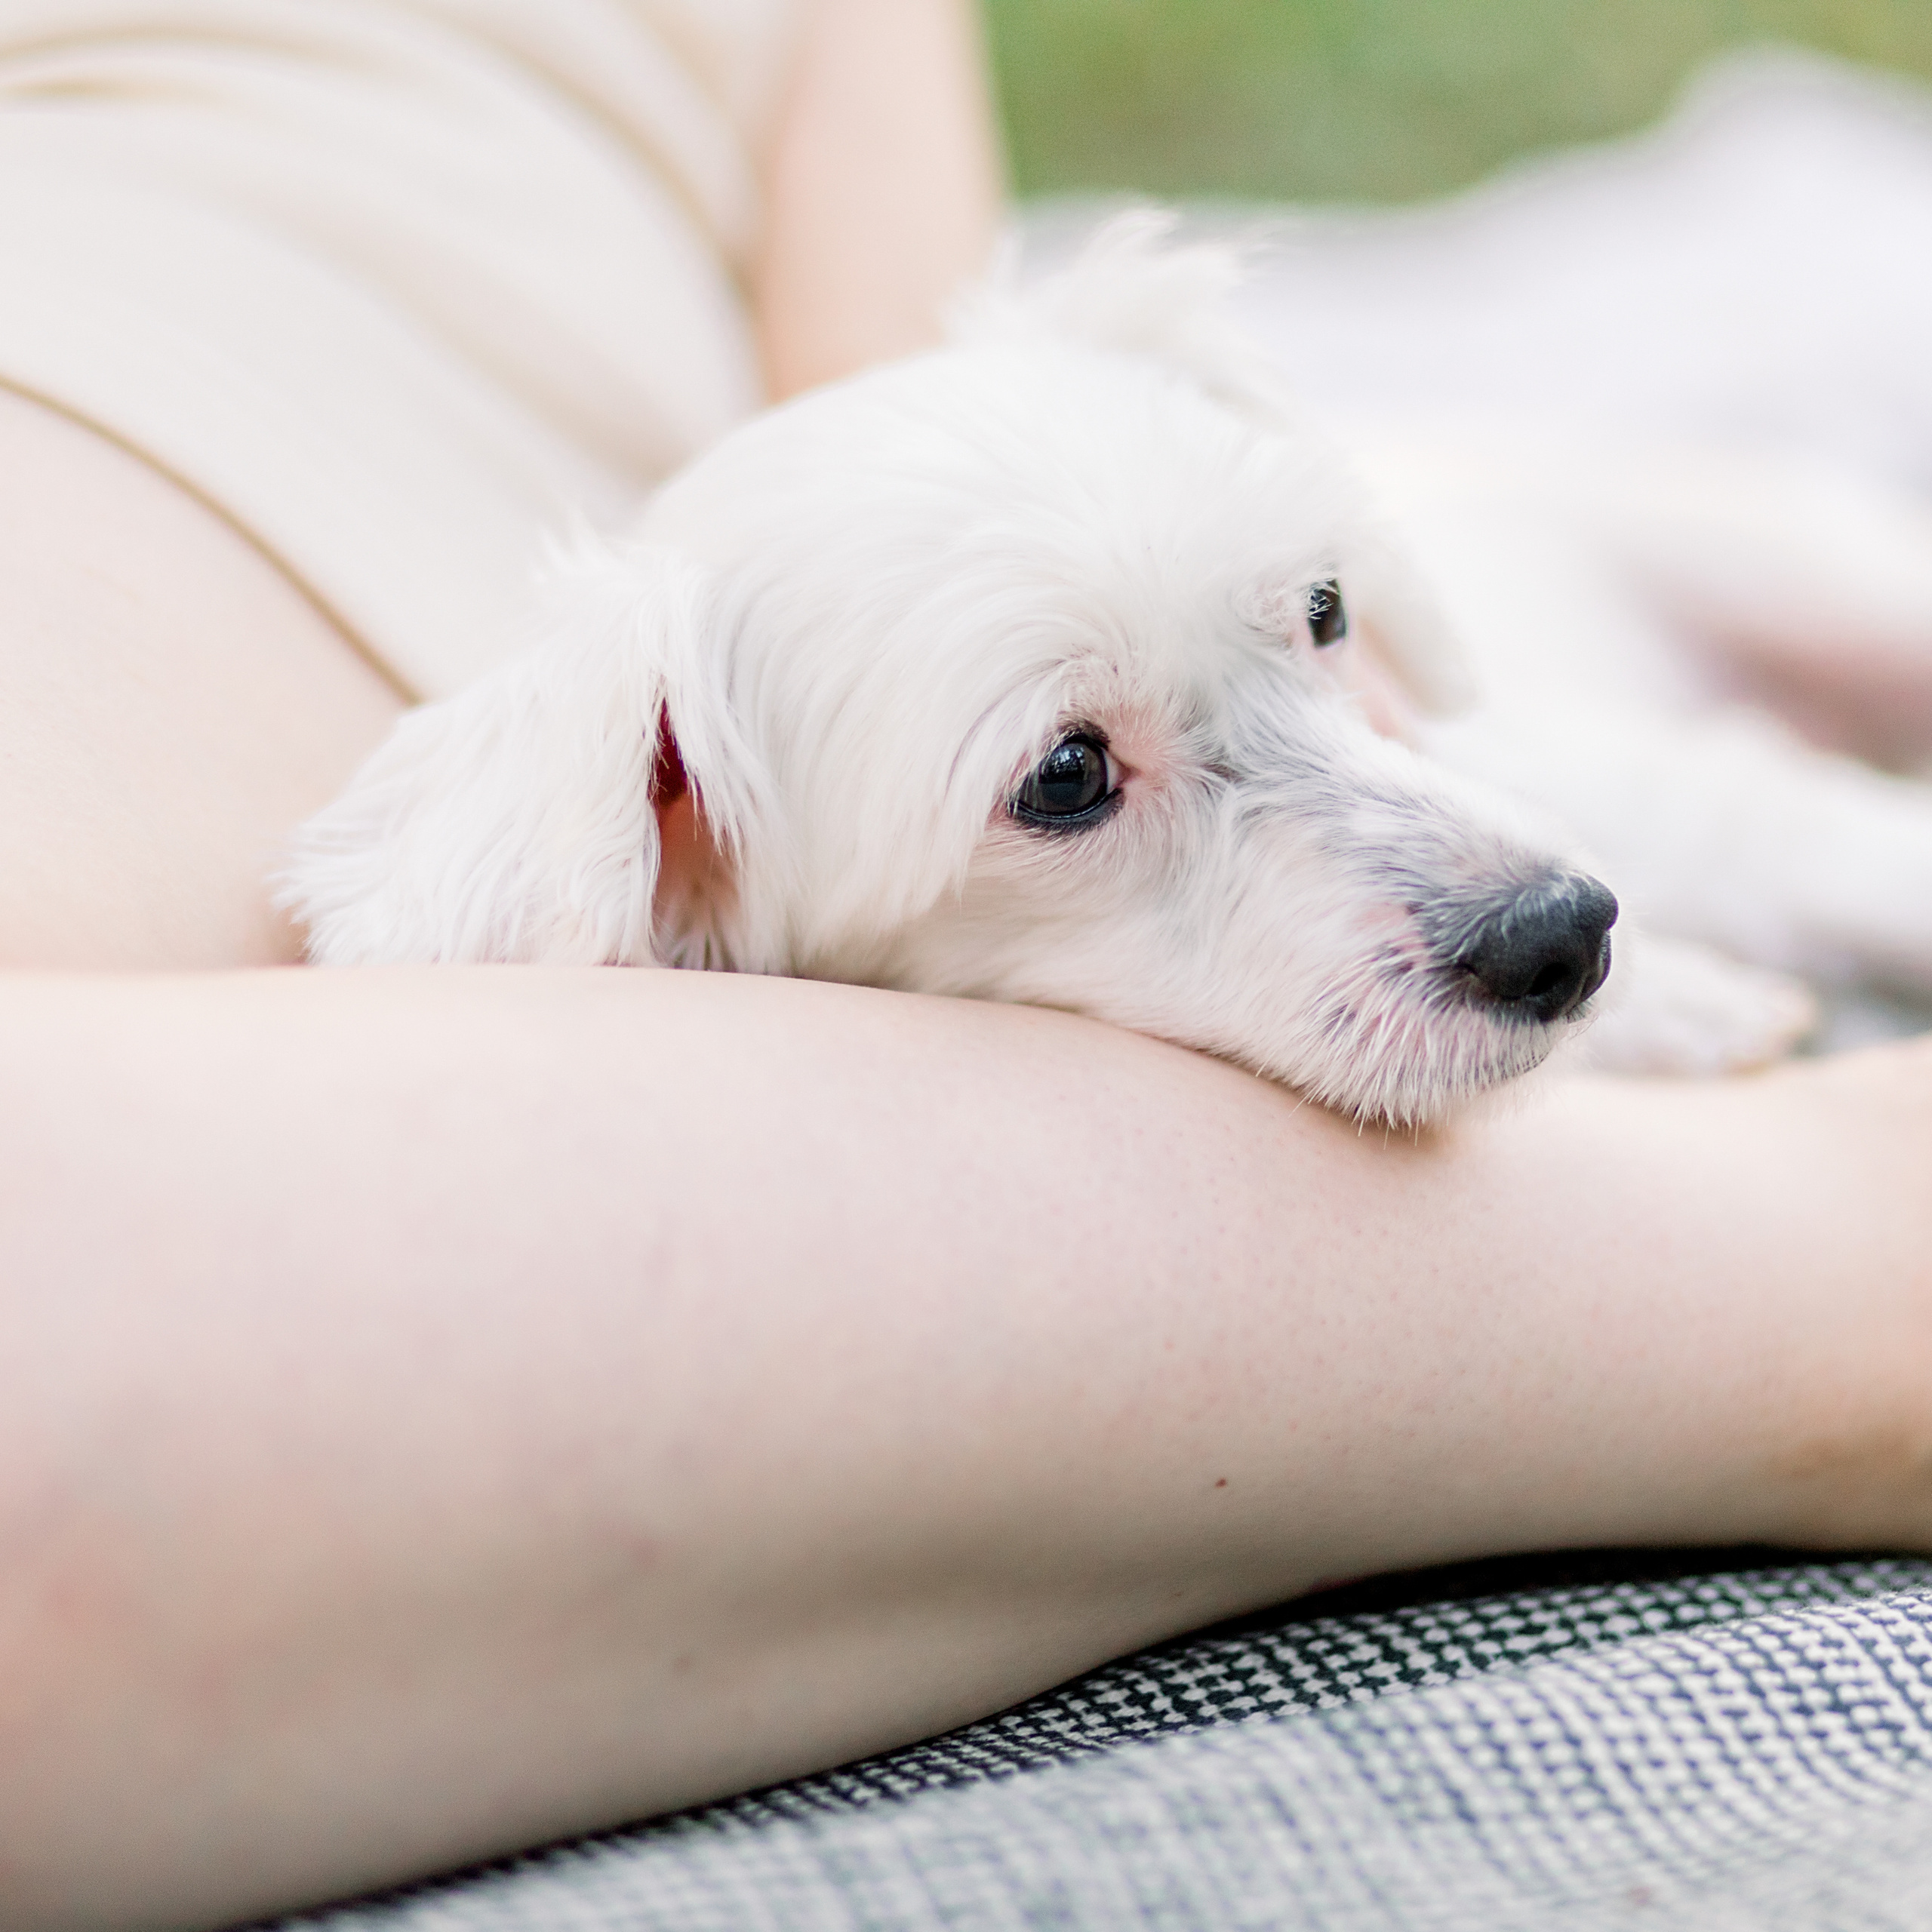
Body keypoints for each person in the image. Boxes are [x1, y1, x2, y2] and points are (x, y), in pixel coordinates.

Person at [2, 3, 1930, 1927]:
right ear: (667, 858)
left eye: (1319, 617)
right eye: (1070, 780)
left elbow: (938, 410)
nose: (1504, 884)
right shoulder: (650, 757)